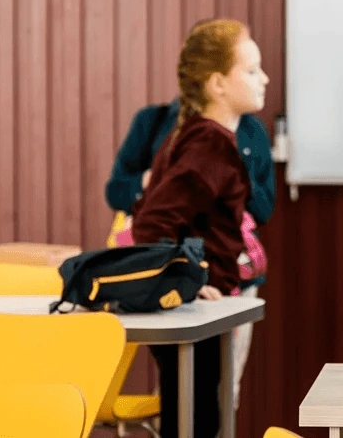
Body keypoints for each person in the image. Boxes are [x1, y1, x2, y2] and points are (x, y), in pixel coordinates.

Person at [104, 27, 275, 409]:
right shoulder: (208, 143)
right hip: (197, 307)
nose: (264, 79)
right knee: (196, 417)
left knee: (194, 412)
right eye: (251, 71)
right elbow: (152, 223)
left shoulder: (200, 135)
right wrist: (188, 280)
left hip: (205, 306)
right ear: (217, 84)